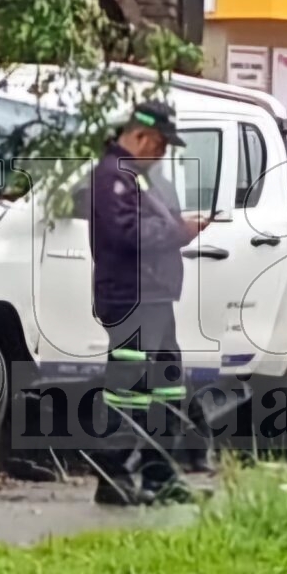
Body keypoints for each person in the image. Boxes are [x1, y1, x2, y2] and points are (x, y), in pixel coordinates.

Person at [76, 99, 212, 506]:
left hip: (155, 299)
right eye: (160, 144)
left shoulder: (137, 176)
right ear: (139, 136)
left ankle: (160, 475)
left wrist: (176, 226)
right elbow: (128, 234)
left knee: (166, 388)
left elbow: (151, 222)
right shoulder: (112, 177)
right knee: (129, 391)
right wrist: (181, 232)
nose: (162, 153)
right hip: (130, 299)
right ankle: (112, 477)